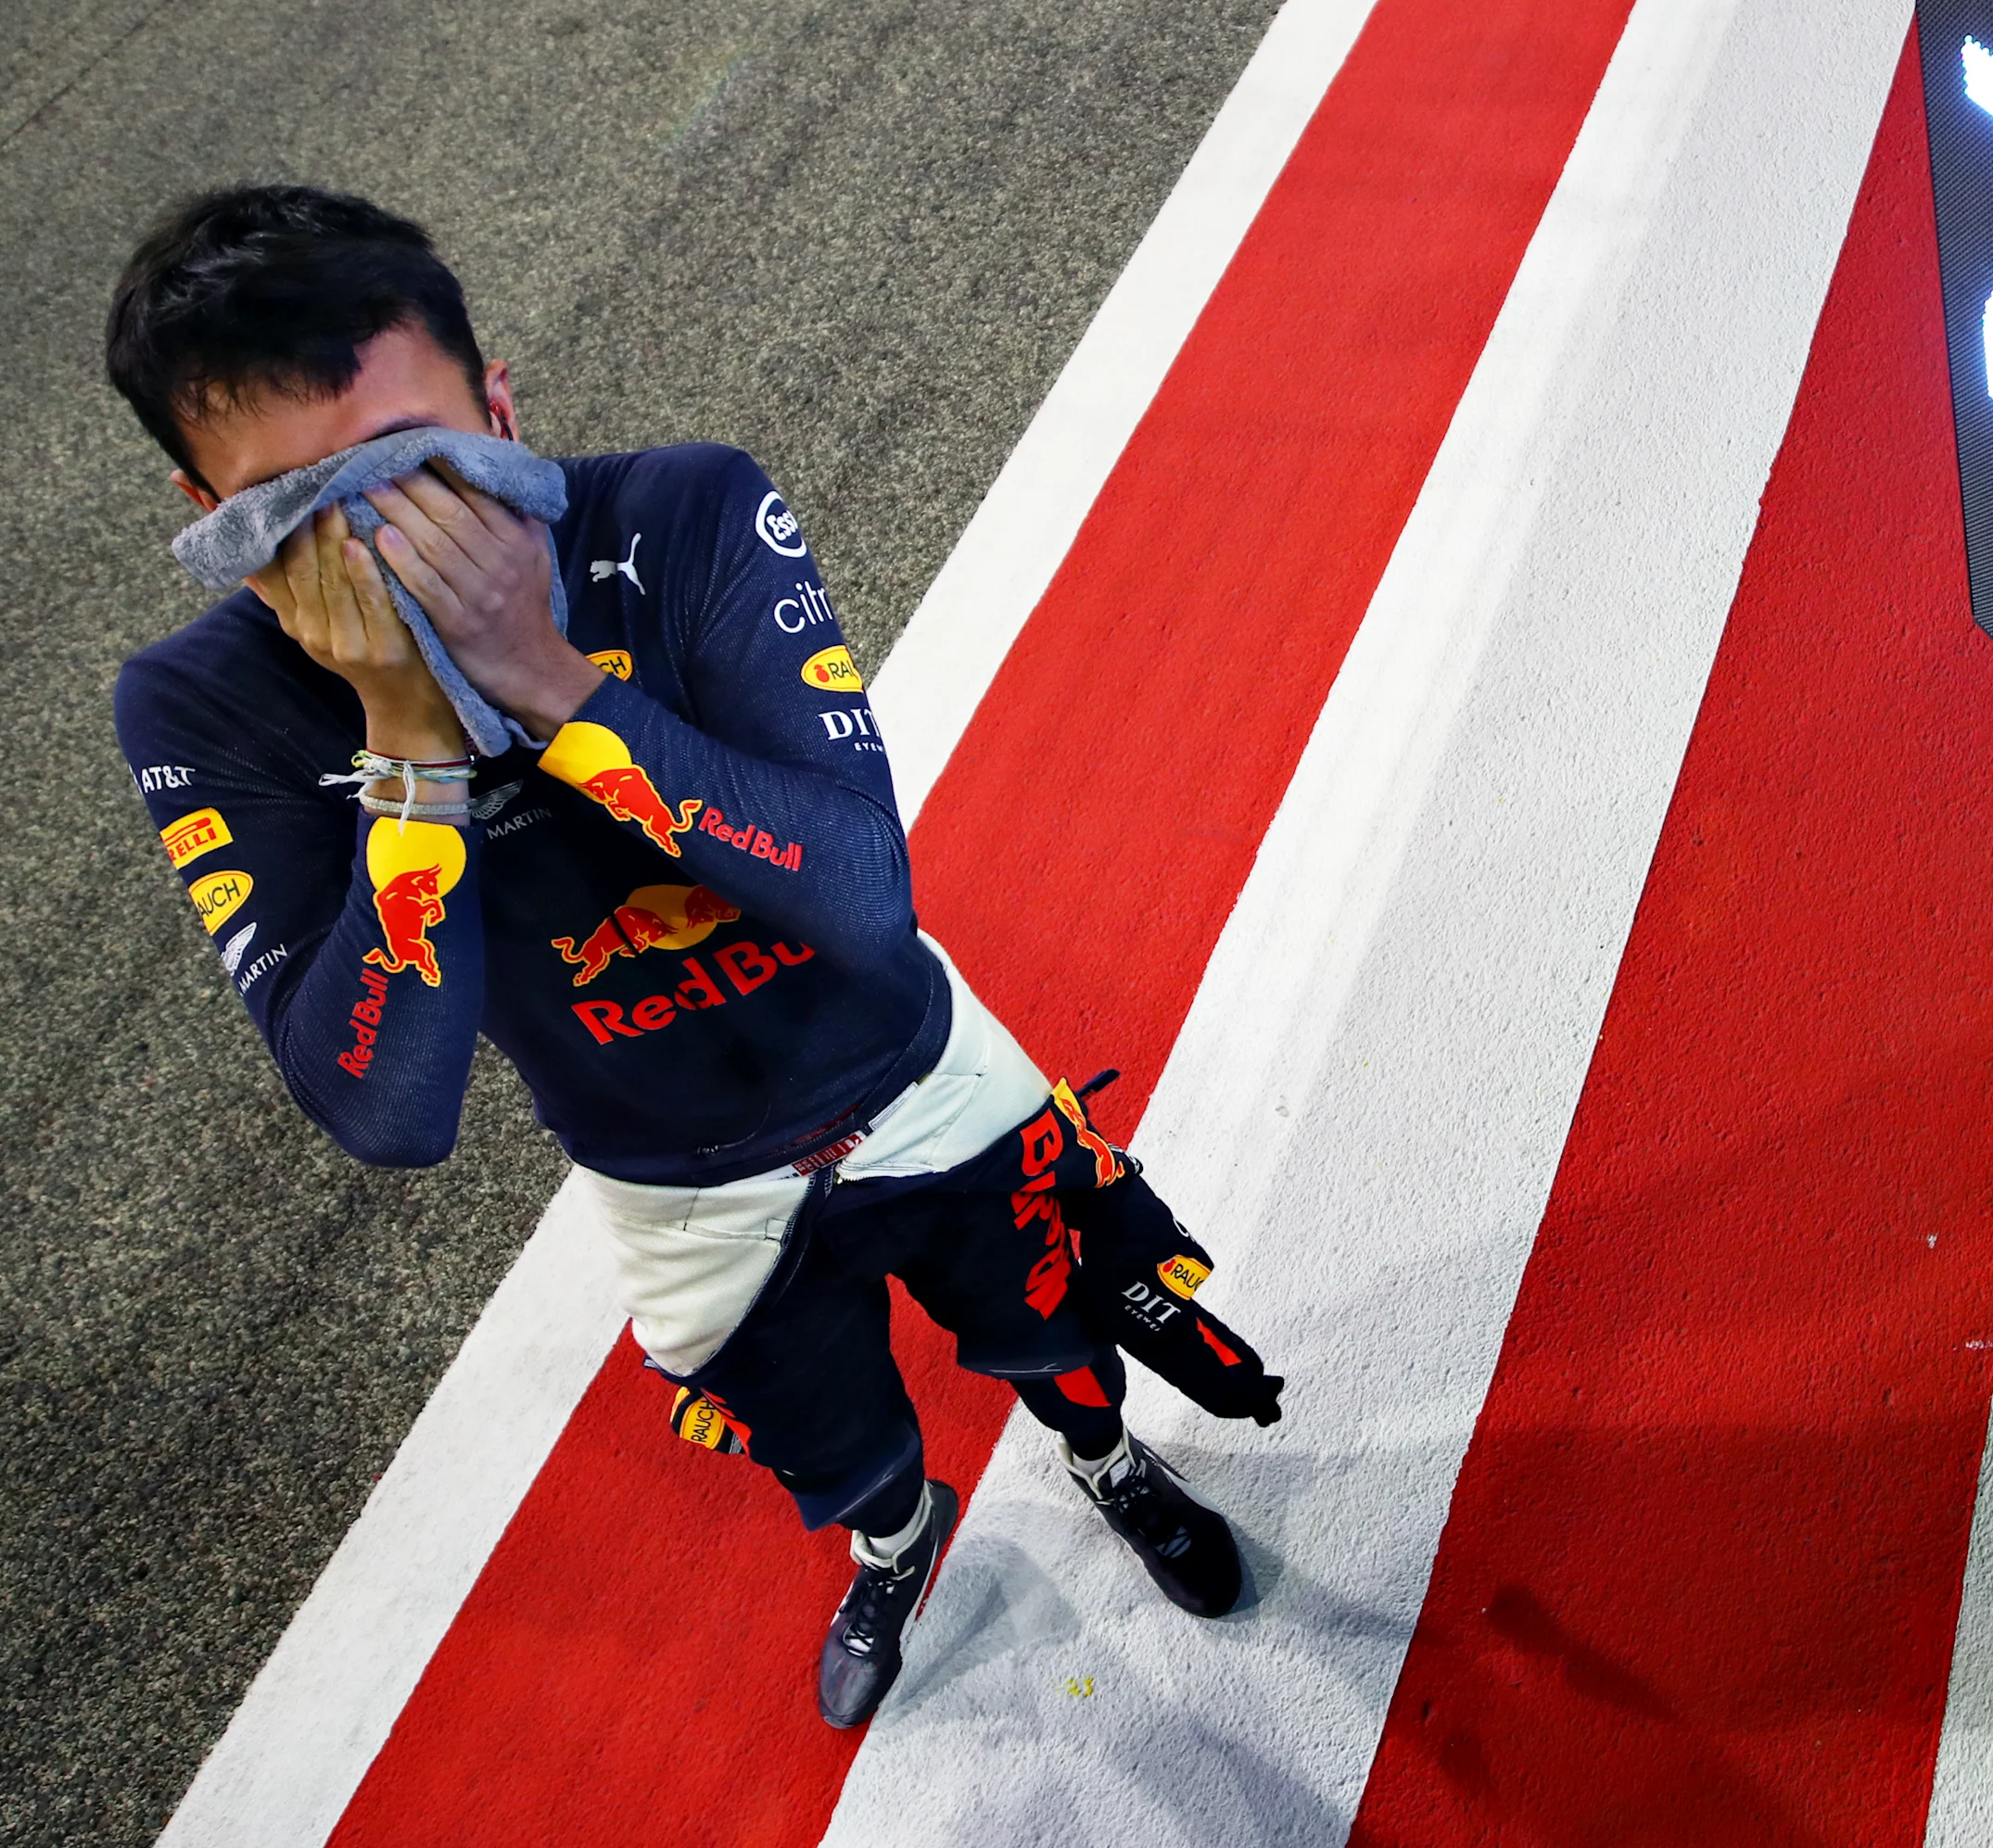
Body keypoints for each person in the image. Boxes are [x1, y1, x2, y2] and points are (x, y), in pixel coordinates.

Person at [107, 184, 1286, 1729]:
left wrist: (544, 677)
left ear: (501, 405)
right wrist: (405, 740)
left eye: (416, 470)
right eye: (297, 512)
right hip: (675, 1181)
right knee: (829, 1433)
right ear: (206, 509)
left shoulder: (678, 514)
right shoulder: (205, 706)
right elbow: (390, 1113)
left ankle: (1108, 1460)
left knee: (1055, 1322)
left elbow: (865, 895)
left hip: (918, 1075)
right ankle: (896, 1535)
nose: (378, 544)